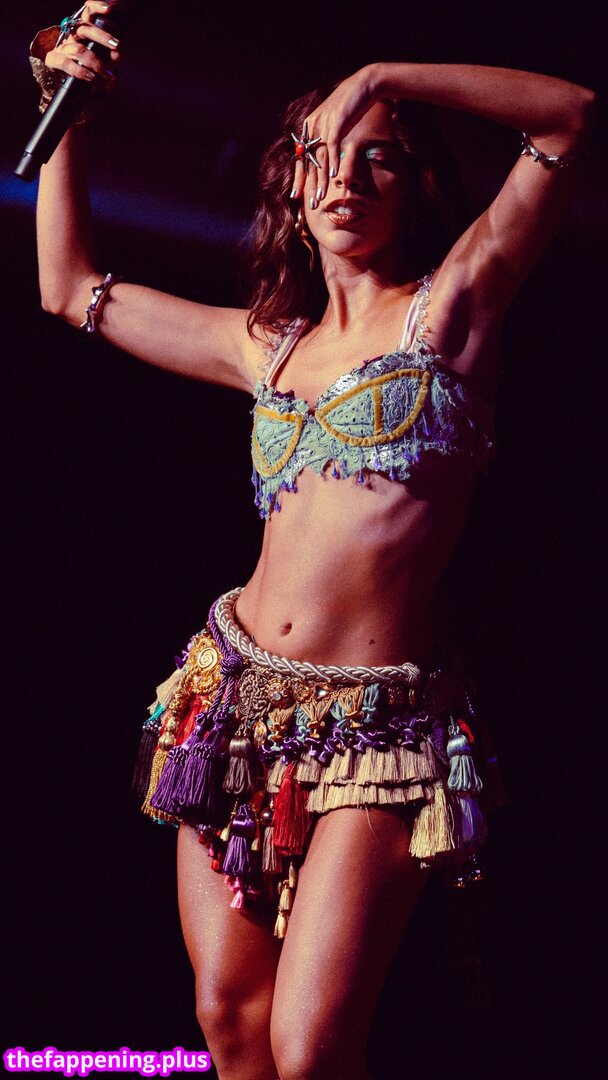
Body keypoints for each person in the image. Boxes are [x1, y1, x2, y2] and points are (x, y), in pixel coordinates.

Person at [32, 3, 595, 1077]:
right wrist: (69, 117)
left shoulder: (451, 309)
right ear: (292, 186)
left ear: (411, 184)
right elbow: (69, 290)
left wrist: (382, 74)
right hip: (228, 702)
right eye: (323, 156)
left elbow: (567, 116)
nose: (346, 176)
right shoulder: (267, 348)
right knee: (231, 1025)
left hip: (377, 723)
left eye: (376, 156)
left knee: (310, 1047)